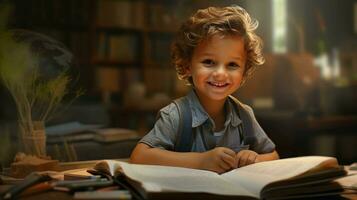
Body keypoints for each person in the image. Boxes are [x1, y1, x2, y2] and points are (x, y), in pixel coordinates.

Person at [130, 5, 279, 174]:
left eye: (232, 65)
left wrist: (255, 159)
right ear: (187, 66)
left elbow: (273, 156)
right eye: (209, 62)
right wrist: (201, 161)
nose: (221, 74)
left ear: (244, 73)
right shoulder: (175, 116)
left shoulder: (245, 115)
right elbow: (139, 157)